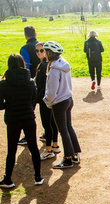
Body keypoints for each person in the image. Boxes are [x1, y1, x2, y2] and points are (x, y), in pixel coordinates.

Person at [0, 54, 43, 188]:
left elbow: (0, 105)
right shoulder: (30, 82)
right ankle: (38, 177)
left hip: (13, 118)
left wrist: (11, 104)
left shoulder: (4, 84)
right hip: (29, 117)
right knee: (33, 147)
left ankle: (8, 179)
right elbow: (33, 99)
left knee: (11, 149)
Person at [43, 41, 81, 169]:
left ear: (49, 53)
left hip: (59, 102)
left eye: (45, 51)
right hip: (68, 99)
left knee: (63, 130)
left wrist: (47, 101)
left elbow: (52, 91)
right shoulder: (64, 63)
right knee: (69, 127)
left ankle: (68, 159)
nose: (44, 54)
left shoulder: (54, 70)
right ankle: (75, 154)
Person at [35, 42, 61, 160]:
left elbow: (43, 85)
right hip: (50, 98)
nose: (39, 53)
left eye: (41, 51)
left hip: (45, 99)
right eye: (37, 51)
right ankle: (55, 145)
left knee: (47, 124)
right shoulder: (48, 64)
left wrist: (39, 98)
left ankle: (49, 149)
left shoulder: (45, 66)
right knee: (52, 122)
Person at [18, 25, 40, 146]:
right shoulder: (42, 45)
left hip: (31, 81)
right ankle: (48, 134)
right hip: (43, 79)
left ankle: (27, 136)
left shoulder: (25, 48)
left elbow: (25, 67)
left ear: (26, 35)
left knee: (29, 110)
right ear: (35, 34)